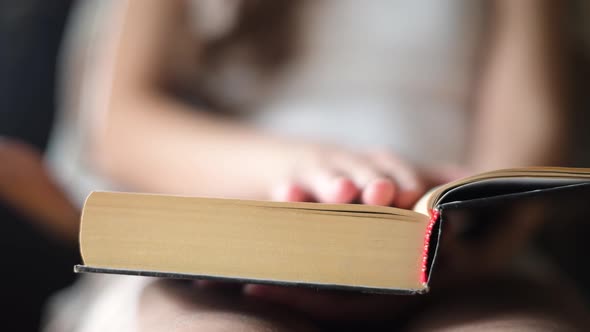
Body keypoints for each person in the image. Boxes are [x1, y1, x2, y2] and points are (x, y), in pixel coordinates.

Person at [44, 0, 589, 331]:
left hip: (453, 255)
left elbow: (529, 131)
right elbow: (119, 124)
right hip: (226, 253)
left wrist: (479, 230)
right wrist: (312, 173)